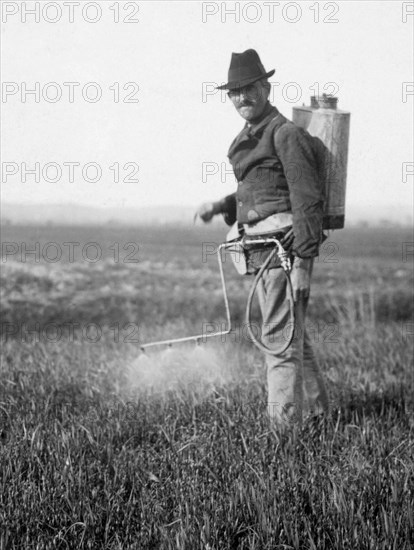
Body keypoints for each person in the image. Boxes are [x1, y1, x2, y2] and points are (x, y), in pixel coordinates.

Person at [196, 49, 329, 428]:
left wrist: (303, 264)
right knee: (292, 337)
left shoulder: (285, 135)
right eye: (234, 92)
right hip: (263, 250)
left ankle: (284, 435)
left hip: (284, 252)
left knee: (277, 338)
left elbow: (307, 201)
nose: (242, 98)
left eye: (249, 88)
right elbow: (261, 191)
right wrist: (219, 205)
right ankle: (320, 417)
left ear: (266, 87)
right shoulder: (253, 135)